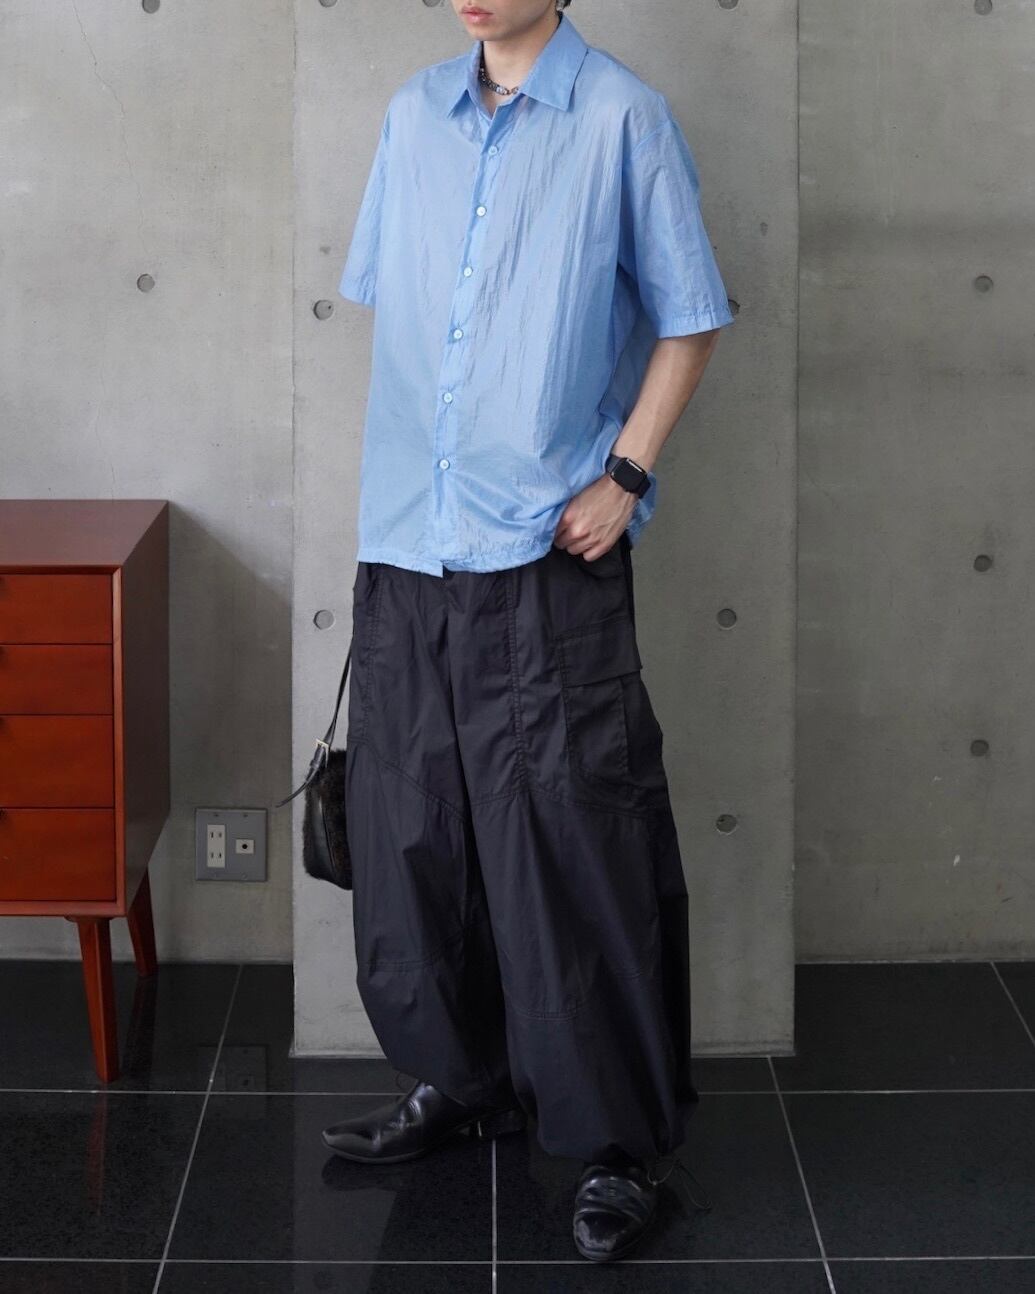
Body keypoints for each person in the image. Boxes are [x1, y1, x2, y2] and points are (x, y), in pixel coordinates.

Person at [322, 0, 734, 1264]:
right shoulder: (411, 116)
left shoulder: (622, 120)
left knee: (574, 847)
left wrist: (628, 474)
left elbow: (692, 316)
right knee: (415, 836)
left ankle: (620, 1146)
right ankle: (462, 1080)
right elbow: (410, 323)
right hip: (410, 538)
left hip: (547, 550)